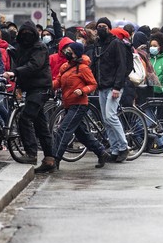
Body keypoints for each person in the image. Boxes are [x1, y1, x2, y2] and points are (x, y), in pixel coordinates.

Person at [35, 41, 108, 172]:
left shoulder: (83, 68)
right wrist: (46, 84)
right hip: (68, 104)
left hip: (79, 104)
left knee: (63, 130)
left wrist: (83, 90)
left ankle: (54, 160)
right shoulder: (65, 66)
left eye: (71, 51)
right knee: (82, 135)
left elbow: (93, 84)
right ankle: (101, 152)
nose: (68, 53)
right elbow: (58, 81)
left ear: (77, 53)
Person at [3, 22, 54, 168]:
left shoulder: (39, 47)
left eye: (29, 32)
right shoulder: (21, 48)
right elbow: (21, 66)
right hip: (32, 89)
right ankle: (49, 158)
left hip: (40, 88)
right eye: (23, 32)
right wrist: (18, 84)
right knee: (40, 125)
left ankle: (31, 154)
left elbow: (34, 65)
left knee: (25, 118)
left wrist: (15, 73)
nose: (26, 35)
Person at [93, 17, 132, 163]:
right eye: (99, 26)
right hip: (102, 86)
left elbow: (121, 66)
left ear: (109, 28)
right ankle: (115, 150)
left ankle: (124, 147)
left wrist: (117, 87)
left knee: (110, 116)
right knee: (106, 120)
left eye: (104, 26)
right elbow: (95, 65)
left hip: (114, 87)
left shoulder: (116, 43)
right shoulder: (98, 44)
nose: (101, 28)